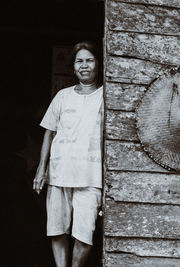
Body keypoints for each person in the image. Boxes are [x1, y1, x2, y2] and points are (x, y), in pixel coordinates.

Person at [33, 41, 103, 267]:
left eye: (89, 60)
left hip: (90, 176)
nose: (84, 66)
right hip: (59, 173)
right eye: (79, 61)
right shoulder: (62, 96)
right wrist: (41, 169)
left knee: (84, 237)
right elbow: (49, 133)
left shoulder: (106, 96)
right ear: (73, 67)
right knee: (56, 231)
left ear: (99, 64)